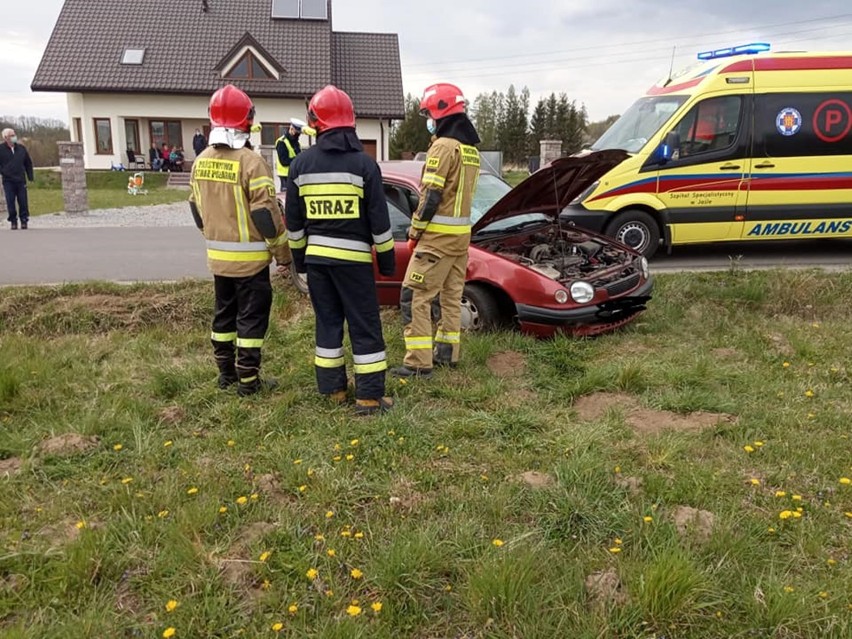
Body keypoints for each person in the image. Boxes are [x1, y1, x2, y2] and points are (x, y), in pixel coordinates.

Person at [285, 85, 395, 416]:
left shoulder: (300, 166)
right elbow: (380, 223)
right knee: (364, 327)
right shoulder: (364, 165)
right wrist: (387, 263)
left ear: (315, 124)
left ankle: (333, 391)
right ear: (351, 122)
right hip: (355, 264)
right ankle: (369, 399)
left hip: (318, 264)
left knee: (328, 324)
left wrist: (300, 261)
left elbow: (294, 225)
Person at [189, 84, 291, 397]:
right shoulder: (251, 162)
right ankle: (249, 381)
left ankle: (225, 375)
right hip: (250, 265)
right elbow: (265, 215)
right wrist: (283, 254)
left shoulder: (200, 160)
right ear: (246, 121)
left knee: (223, 316)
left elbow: (196, 209)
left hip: (218, 262)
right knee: (250, 320)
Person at [391, 83, 481, 378]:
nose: (428, 119)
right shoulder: (470, 151)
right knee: (450, 298)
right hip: (459, 241)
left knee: (414, 296)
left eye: (428, 113)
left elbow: (431, 196)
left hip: (436, 241)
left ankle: (418, 362)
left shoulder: (442, 147)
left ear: (441, 112)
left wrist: (414, 232)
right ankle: (447, 354)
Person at [0, 128, 34, 230]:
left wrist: (30, 176)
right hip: (8, 180)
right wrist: (4, 171)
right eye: (11, 135)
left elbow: (28, 163)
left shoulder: (21, 149)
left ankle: (24, 220)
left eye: (14, 134)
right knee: (10, 201)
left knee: (23, 201)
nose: (14, 136)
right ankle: (13, 221)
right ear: (6, 138)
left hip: (20, 179)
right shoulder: (1, 149)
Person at [274, 121, 302, 191]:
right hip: (285, 176)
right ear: (291, 129)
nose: (298, 136)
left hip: (295, 174)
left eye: (299, 134)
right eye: (297, 133)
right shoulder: (281, 142)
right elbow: (284, 161)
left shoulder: (296, 143)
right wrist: (298, 159)